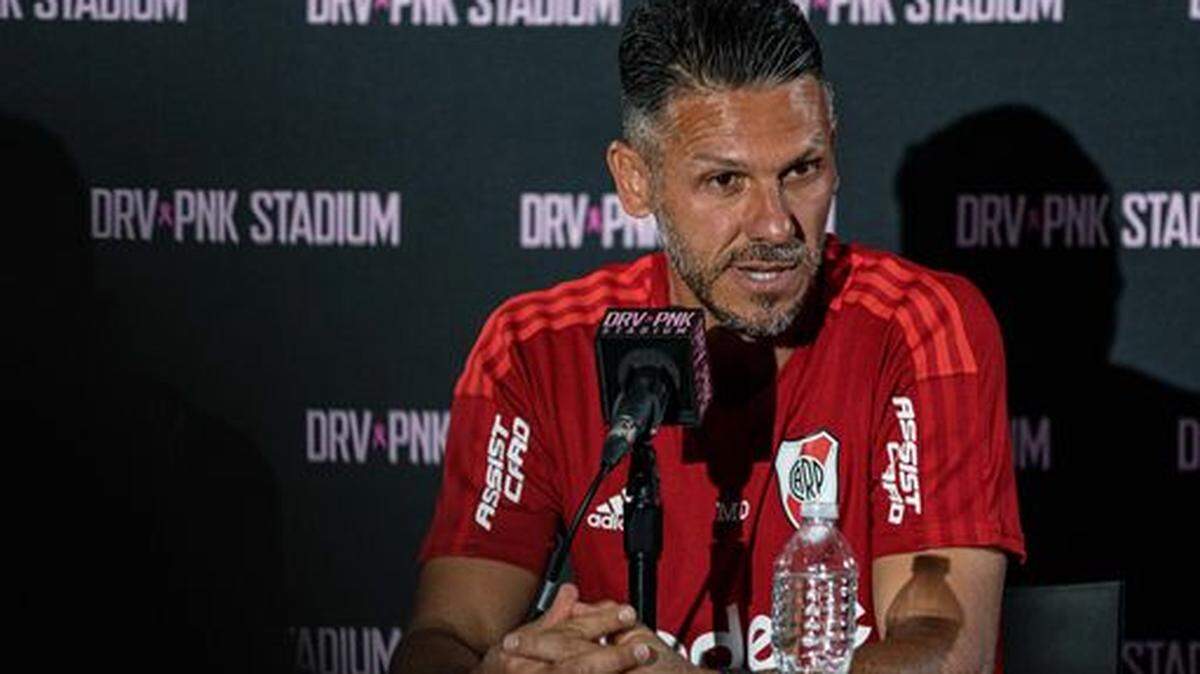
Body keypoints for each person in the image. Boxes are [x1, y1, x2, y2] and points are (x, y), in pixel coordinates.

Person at [391, 0, 1024, 671]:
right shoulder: (533, 348)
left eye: (802, 171)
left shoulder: (920, 326)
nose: (776, 225)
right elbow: (443, 637)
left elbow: (946, 648)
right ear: (636, 181)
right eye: (726, 181)